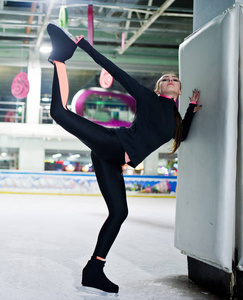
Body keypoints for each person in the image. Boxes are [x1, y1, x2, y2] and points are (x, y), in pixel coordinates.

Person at [47, 22, 201, 294]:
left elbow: (184, 134)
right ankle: (60, 56)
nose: (170, 80)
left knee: (119, 212)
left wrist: (191, 109)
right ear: (158, 88)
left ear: (179, 89)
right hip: (113, 142)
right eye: (165, 79)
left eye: (174, 79)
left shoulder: (175, 119)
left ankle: (94, 269)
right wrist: (83, 45)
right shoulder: (148, 98)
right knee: (60, 113)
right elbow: (117, 72)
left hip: (111, 156)